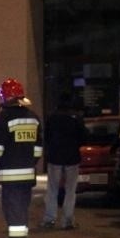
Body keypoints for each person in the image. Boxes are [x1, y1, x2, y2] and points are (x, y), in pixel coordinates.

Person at [0, 78, 42, 238]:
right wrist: (31, 162)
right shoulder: (33, 117)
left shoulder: (4, 117)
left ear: (4, 97)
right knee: (22, 206)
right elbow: (39, 146)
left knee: (12, 206)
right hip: (28, 172)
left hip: (10, 173)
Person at [41, 92, 87, 230]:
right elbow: (83, 137)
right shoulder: (76, 117)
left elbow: (47, 136)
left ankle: (50, 219)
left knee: (52, 189)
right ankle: (68, 220)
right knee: (70, 190)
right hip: (72, 157)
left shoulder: (52, 117)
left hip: (55, 157)